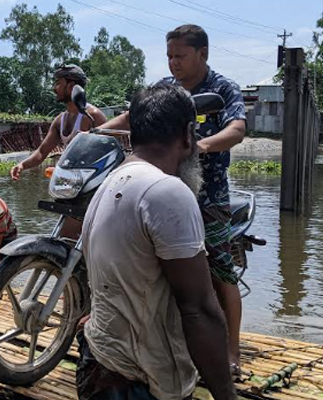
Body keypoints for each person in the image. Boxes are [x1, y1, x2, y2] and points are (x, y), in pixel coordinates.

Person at [97, 24, 247, 371]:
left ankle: (232, 353)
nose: (173, 63)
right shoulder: (166, 90)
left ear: (202, 54)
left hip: (207, 193)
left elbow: (237, 129)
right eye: (168, 56)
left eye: (180, 56)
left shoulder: (223, 88)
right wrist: (97, 131)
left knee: (221, 270)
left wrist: (200, 146)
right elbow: (132, 116)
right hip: (158, 189)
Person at [79, 82, 236, 400]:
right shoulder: (167, 192)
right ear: (188, 134)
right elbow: (199, 310)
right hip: (139, 381)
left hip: (97, 364)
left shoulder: (109, 183)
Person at [9, 64, 107, 181]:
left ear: (71, 86)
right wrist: (22, 165)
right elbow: (42, 152)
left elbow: (106, 153)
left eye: (58, 83)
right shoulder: (59, 120)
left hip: (94, 181)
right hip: (72, 182)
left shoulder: (92, 116)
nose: (54, 88)